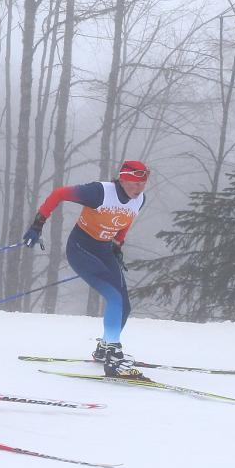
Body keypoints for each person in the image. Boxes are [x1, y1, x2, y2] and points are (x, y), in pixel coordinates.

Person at [21, 160, 150, 379]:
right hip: (81, 248)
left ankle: (104, 349)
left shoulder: (139, 200)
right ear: (122, 178)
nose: (139, 189)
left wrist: (118, 244)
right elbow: (59, 194)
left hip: (105, 250)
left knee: (124, 306)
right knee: (114, 297)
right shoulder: (99, 192)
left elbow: (126, 220)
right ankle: (113, 356)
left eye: (143, 183)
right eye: (135, 183)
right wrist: (37, 225)